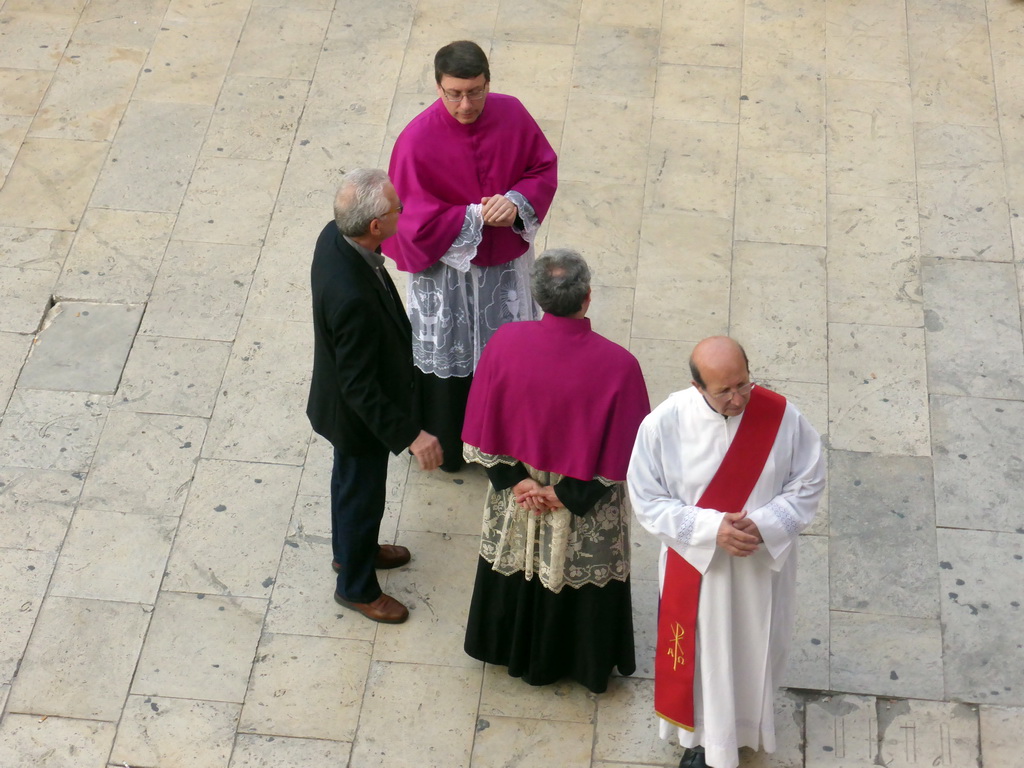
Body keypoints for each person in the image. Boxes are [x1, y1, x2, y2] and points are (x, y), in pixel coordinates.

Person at [627, 337, 824, 768]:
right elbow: (646, 497)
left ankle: (747, 728)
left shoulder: (781, 417)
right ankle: (700, 739)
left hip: (759, 564)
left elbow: (808, 481)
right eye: (724, 391)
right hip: (699, 569)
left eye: (743, 384)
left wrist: (766, 522)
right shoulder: (664, 423)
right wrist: (712, 528)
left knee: (755, 647)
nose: (738, 398)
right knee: (703, 656)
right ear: (698, 387)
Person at [461, 249, 650, 693]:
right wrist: (567, 495)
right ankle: (582, 662)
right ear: (588, 297)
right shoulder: (619, 367)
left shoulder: (505, 343)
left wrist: (518, 482)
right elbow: (629, 453)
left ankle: (508, 647)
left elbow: (479, 428)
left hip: (519, 495)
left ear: (537, 295)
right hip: (582, 504)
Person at [385, 40, 558, 471]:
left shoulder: (512, 113)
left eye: (476, 91)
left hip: (503, 267)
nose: (466, 104)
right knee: (454, 359)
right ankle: (450, 444)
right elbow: (408, 220)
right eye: (455, 93)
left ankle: (506, 441)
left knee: (508, 356)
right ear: (438, 87)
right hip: (450, 274)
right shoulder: (415, 140)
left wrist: (516, 202)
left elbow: (541, 168)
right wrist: (475, 216)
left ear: (488, 82)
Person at [307, 168, 443, 625]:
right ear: (374, 227)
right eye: (395, 209)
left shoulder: (334, 235)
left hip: (343, 406)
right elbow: (359, 385)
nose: (402, 212)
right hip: (356, 418)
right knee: (361, 496)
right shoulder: (352, 298)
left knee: (349, 487)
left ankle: (352, 553)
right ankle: (356, 587)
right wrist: (411, 435)